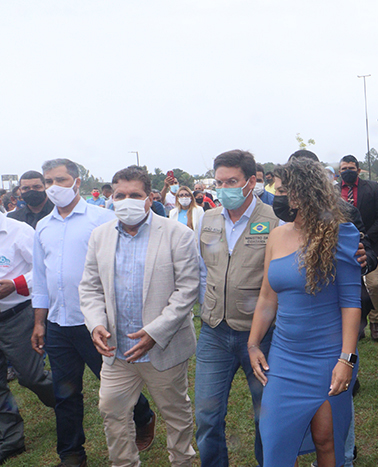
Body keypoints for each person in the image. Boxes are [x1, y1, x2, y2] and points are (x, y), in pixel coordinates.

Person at [31, 158, 154, 467]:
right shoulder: (43, 226)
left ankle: (143, 414)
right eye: (49, 181)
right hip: (58, 323)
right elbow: (41, 278)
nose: (54, 187)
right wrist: (39, 322)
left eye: (60, 180)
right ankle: (72, 455)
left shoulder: (102, 219)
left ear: (76, 182)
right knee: (65, 393)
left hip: (96, 322)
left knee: (112, 382)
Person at [79, 166, 198, 466]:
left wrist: (155, 333)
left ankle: (182, 461)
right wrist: (95, 324)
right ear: (112, 197)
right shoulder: (100, 236)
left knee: (176, 414)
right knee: (112, 413)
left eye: (135, 195)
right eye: (120, 195)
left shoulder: (177, 234)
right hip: (117, 351)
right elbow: (90, 287)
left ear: (149, 198)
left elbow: (187, 290)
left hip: (163, 350)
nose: (126, 201)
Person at [248, 158, 361, 467]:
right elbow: (267, 297)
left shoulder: (340, 234)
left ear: (301, 194)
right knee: (275, 441)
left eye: (281, 190)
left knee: (327, 440)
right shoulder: (276, 235)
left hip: (328, 357)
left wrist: (346, 360)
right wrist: (253, 343)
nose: (277, 197)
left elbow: (351, 303)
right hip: (284, 357)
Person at [195, 150, 280, 467]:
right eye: (219, 182)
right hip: (214, 333)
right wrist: (209, 306)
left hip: (261, 334)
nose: (224, 188)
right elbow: (202, 269)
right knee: (206, 415)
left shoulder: (274, 222)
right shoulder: (208, 219)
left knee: (265, 415)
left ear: (251, 182)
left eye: (231, 181)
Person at [0, 210, 55, 464]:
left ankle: (66, 401)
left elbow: (44, 268)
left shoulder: (18, 231)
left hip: (17, 315)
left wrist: (16, 284)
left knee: (32, 376)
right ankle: (11, 439)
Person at [339, 155, 378, 341]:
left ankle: (374, 320)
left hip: (370, 245)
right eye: (344, 169)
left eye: (351, 168)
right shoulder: (333, 192)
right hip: (342, 249)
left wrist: (364, 238)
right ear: (339, 171)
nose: (348, 172)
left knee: (374, 285)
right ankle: (357, 324)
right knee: (352, 289)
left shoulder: (373, 187)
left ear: (358, 170)